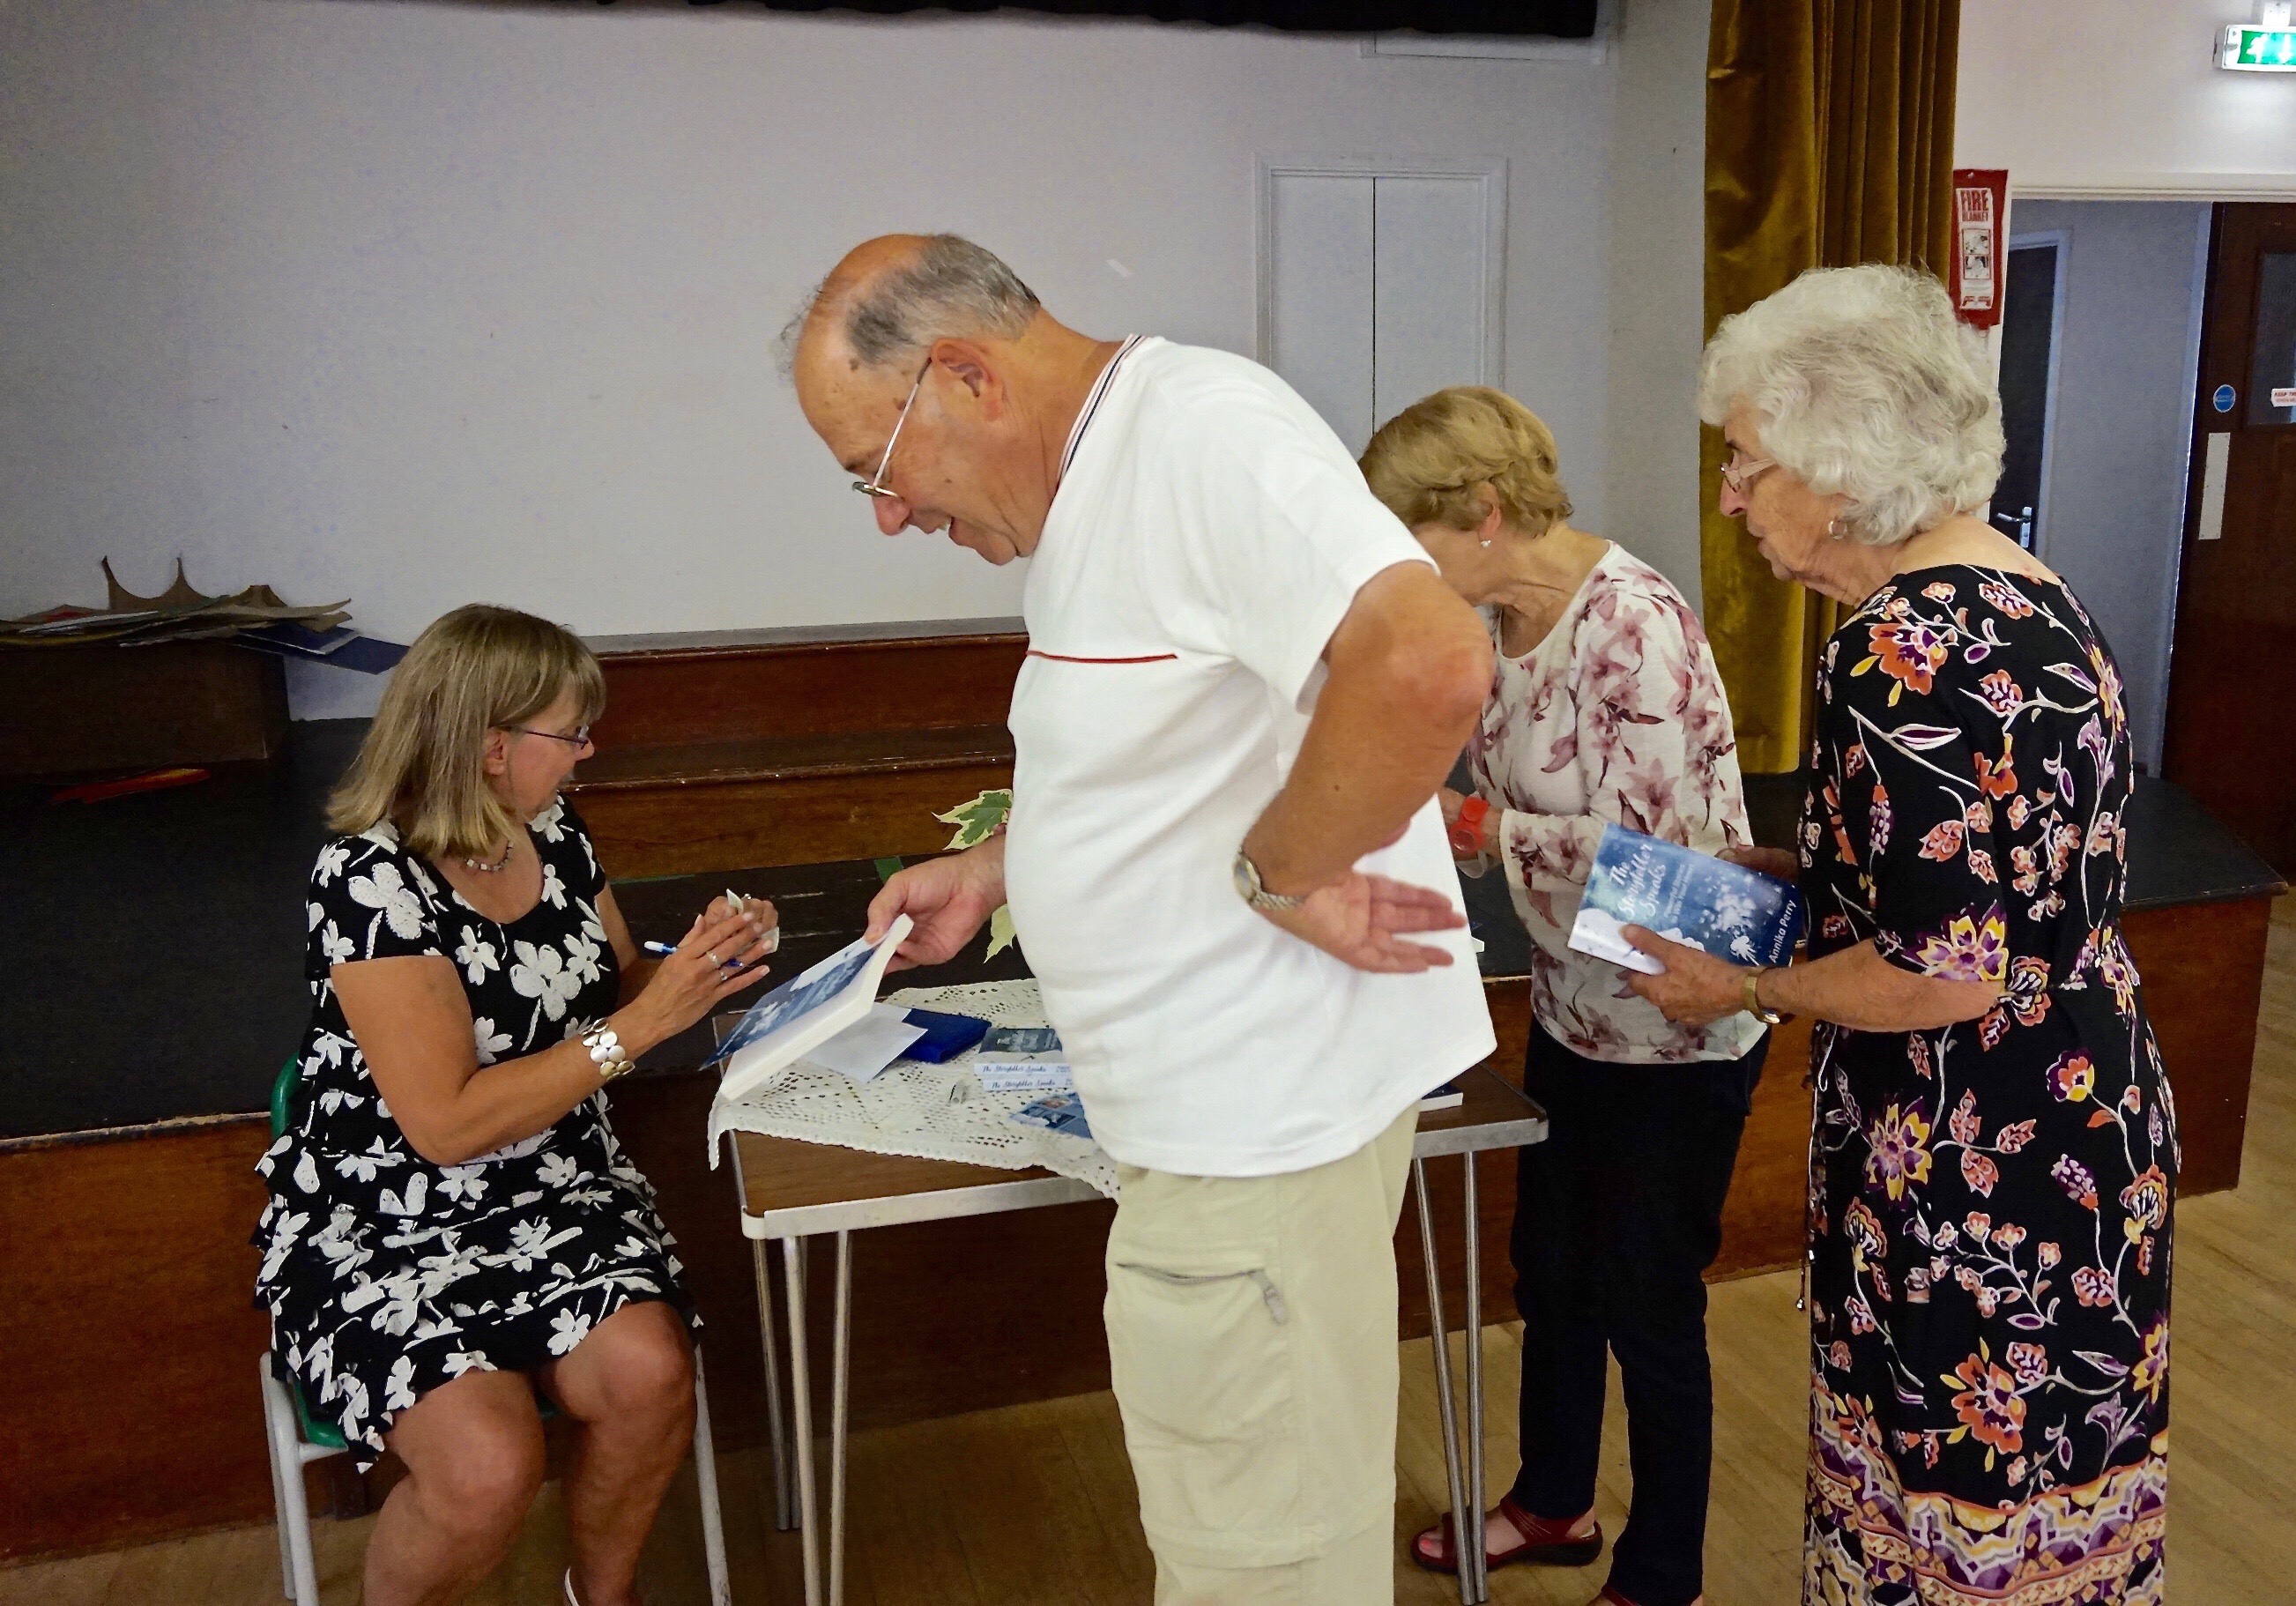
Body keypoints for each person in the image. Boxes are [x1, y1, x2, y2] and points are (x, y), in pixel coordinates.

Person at [781, 234, 1497, 1604]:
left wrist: (1284, 874)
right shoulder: (1103, 482)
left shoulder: (1197, 437)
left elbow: (1425, 661)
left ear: (965, 377)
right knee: (1250, 1533)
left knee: (1259, 1564)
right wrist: (1009, 861)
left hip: (1256, 1145)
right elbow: (1168, 739)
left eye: (878, 469)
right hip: (1214, 1139)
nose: (888, 514)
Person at [1631, 264, 2175, 1606]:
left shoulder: (1895, 650)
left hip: (1972, 1155)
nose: (1731, 496)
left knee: (1948, 1495)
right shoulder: (2028, 593)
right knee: (2045, 1497)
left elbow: (1944, 967)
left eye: (1748, 463)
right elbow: (1984, 885)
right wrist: (1795, 869)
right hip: (2083, 1117)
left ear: (1839, 464)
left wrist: (1742, 980)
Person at [252, 605, 776, 1606]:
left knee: (648, 1378)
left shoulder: (552, 829)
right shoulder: (368, 878)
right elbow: (443, 1124)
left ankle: (601, 1596)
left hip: (557, 1182)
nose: (587, 751)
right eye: (571, 732)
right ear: (492, 747)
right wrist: (646, 1023)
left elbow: (619, 984)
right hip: (386, 1219)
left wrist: (702, 967)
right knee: (487, 1468)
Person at [1359, 386, 1767, 1606]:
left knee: (1648, 1295)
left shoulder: (1629, 624)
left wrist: (1471, 821)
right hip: (1576, 1004)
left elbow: (1645, 860)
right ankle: (1553, 1497)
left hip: (1681, 1016)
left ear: (1484, 512)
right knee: (1553, 1268)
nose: (1399, 566)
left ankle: (1666, 1568)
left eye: (1407, 536)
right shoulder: (1496, 620)